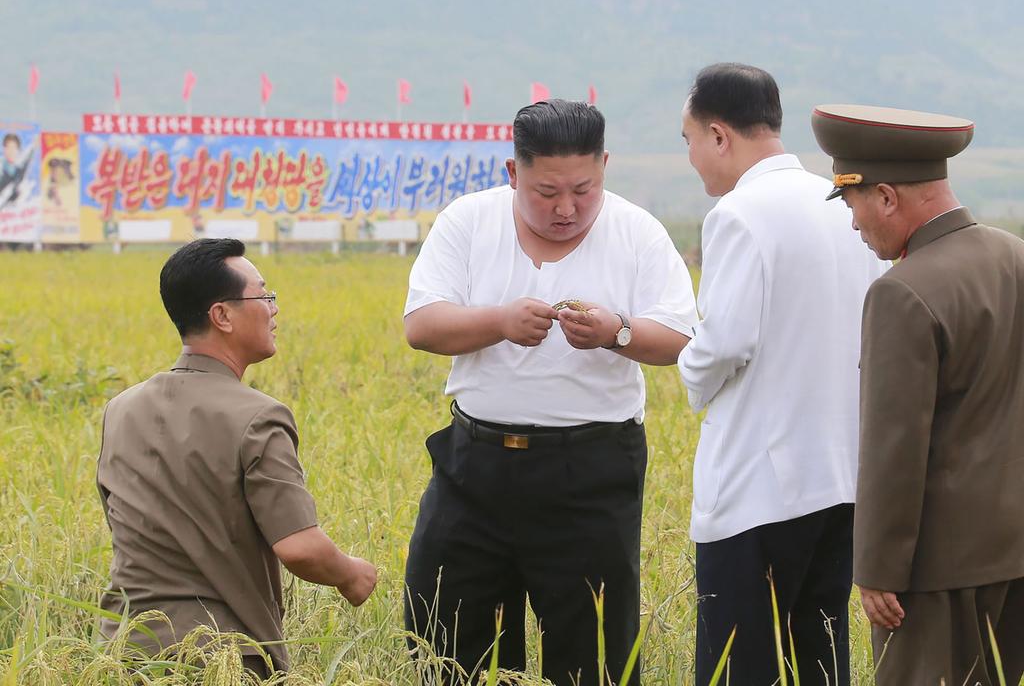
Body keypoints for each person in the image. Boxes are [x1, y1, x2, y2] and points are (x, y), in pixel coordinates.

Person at [402, 99, 698, 686]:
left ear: (605, 166)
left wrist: (618, 332)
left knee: (593, 652)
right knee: (447, 636)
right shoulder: (469, 221)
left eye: (582, 190)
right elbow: (422, 324)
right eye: (546, 192)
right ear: (513, 173)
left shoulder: (636, 232)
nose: (566, 208)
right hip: (474, 467)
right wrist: (500, 322)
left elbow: (679, 337)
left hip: (589, 471)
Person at [677, 64, 887, 685]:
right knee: (820, 661)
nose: (691, 159)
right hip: (840, 479)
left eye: (688, 140)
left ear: (719, 135)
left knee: (742, 667)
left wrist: (689, 368)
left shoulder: (740, 214)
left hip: (757, 489)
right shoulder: (841, 203)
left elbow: (721, 344)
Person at [96, 238, 378, 675]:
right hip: (223, 657)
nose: (273, 308)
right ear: (222, 315)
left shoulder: (121, 408)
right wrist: (351, 574)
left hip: (126, 653)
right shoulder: (259, 417)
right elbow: (300, 547)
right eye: (264, 294)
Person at [814, 103, 1024, 686]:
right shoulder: (1015, 257)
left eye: (854, 206)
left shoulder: (902, 292)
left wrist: (878, 568)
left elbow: (893, 447)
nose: (855, 225)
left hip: (933, 572)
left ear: (885, 197)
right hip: (1013, 551)